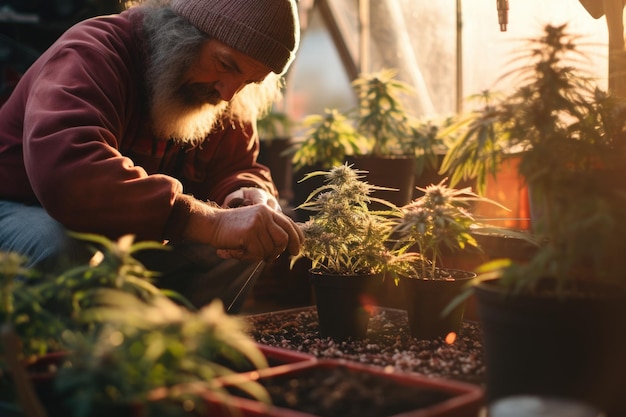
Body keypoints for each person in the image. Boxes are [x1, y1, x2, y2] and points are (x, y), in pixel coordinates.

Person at [0, 0, 304, 313]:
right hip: (19, 208)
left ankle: (187, 351)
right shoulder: (91, 52)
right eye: (226, 64)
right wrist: (209, 224)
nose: (229, 93)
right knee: (60, 248)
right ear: (183, 32)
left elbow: (238, 165)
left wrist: (245, 196)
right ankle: (66, 360)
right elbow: (67, 174)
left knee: (240, 246)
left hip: (124, 234)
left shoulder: (218, 92)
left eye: (250, 81)